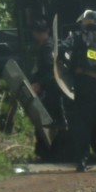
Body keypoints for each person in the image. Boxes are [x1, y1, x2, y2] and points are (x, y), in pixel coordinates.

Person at [59, 10, 96, 172]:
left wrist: (67, 67)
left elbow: (62, 48)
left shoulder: (77, 35)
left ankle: (82, 159)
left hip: (82, 84)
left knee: (81, 123)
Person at [29, 19, 67, 159]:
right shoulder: (44, 46)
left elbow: (52, 72)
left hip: (51, 91)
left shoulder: (48, 47)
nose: (39, 35)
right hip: (49, 90)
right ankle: (47, 153)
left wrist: (40, 84)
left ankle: (52, 153)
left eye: (40, 32)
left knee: (51, 122)